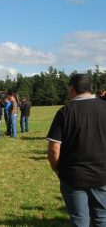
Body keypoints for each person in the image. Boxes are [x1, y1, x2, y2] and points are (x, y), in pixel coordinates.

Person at [47, 74, 106, 226]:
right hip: (102, 175)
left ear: (72, 89)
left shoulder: (64, 112)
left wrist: (57, 169)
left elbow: (54, 149)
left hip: (73, 177)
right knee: (102, 218)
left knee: (80, 221)